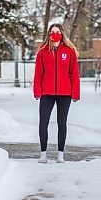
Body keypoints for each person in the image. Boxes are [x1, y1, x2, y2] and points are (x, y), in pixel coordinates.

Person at [33, 24, 80, 163]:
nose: (55, 34)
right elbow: (38, 74)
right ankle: (43, 154)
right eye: (52, 32)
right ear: (49, 34)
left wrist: (75, 93)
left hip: (65, 93)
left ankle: (60, 154)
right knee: (43, 122)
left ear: (62, 34)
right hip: (47, 93)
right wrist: (37, 91)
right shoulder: (43, 52)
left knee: (62, 122)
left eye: (57, 32)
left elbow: (74, 74)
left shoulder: (69, 52)